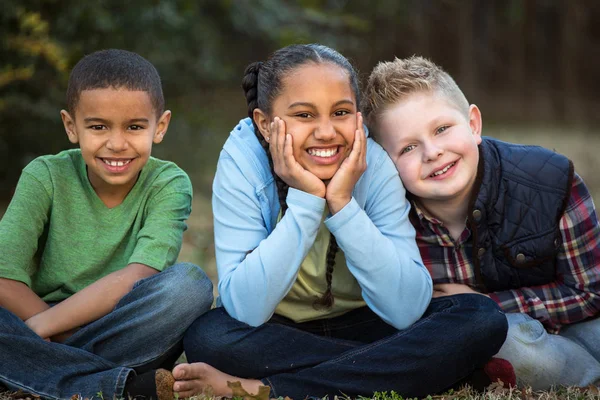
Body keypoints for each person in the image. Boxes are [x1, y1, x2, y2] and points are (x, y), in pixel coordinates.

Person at [171, 44, 508, 399]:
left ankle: (268, 390)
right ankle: (424, 372)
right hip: (278, 331)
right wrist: (307, 201)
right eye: (304, 115)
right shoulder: (244, 160)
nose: (327, 132)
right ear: (265, 124)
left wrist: (343, 205)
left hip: (369, 324)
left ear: (358, 117)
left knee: (479, 317)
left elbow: (406, 309)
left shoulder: (373, 164)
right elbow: (246, 309)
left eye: (341, 112)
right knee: (210, 337)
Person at [362, 55, 600, 390]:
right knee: (513, 347)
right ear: (386, 162)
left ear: (473, 124)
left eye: (442, 129)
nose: (432, 152)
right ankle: (584, 375)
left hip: (579, 321)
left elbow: (591, 293)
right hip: (506, 340)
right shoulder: (388, 219)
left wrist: (483, 304)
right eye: (408, 148)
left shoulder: (552, 181)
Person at [0, 49, 214, 400]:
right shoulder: (45, 175)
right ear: (71, 126)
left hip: (120, 329)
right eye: (98, 126)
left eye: (134, 126)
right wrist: (56, 329)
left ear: (159, 127)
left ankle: (30, 368)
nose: (116, 144)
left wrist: (43, 332)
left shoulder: (168, 183)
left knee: (190, 286)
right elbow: (4, 276)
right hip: (49, 322)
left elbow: (139, 276)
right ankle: (115, 385)